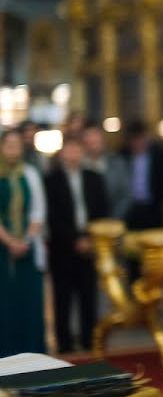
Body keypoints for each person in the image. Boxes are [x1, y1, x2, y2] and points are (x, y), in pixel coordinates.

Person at [44, 134, 109, 354]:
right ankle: (64, 344)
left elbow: (103, 210)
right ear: (62, 153)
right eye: (69, 150)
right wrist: (74, 240)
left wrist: (90, 238)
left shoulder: (94, 178)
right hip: (63, 247)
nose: (73, 154)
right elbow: (52, 217)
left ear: (82, 152)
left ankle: (89, 340)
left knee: (88, 296)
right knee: (62, 298)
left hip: (89, 245)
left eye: (77, 150)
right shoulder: (51, 180)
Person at [0, 129, 47, 357]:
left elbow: (38, 211)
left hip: (27, 248)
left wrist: (26, 240)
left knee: (29, 306)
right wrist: (9, 242)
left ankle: (33, 355)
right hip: (2, 249)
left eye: (17, 145)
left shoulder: (30, 174)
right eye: (8, 145)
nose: (13, 149)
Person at [82, 123, 131, 220]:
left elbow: (125, 194)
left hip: (113, 222)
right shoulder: (79, 165)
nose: (93, 144)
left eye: (96, 140)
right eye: (90, 141)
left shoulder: (117, 162)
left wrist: (113, 219)